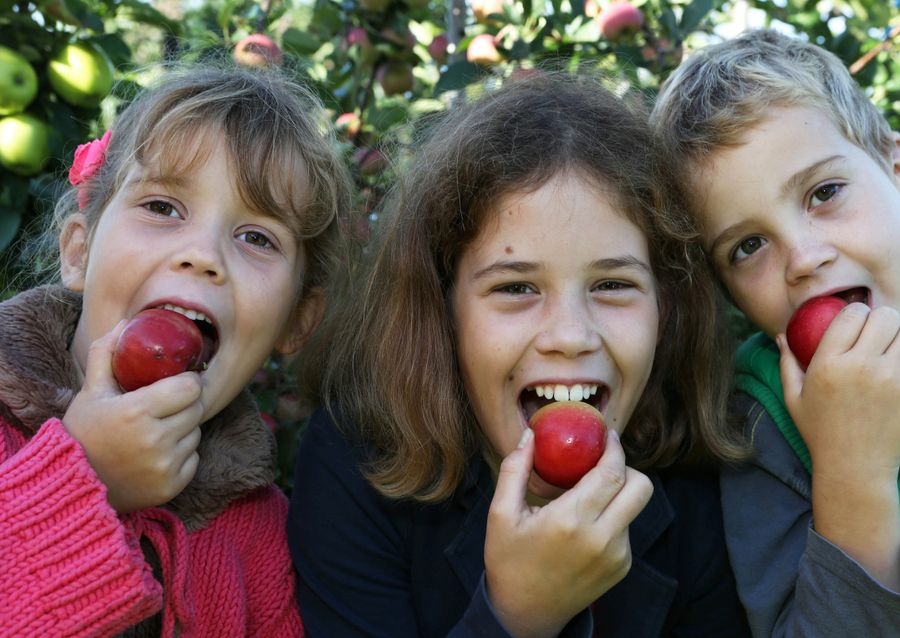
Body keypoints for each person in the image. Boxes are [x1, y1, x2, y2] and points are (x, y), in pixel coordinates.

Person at [287, 71, 751, 637]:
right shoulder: (354, 469)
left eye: (612, 285)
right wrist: (517, 618)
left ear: (666, 308)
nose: (571, 335)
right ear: (443, 311)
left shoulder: (697, 484)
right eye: (515, 288)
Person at [651, 27, 900, 636]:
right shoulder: (760, 421)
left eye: (824, 193)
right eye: (748, 246)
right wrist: (851, 471)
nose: (802, 258)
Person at [0, 63, 355, 637]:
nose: (203, 253)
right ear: (79, 252)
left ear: (297, 322)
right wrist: (87, 479)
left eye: (257, 238)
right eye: (162, 207)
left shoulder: (261, 539)